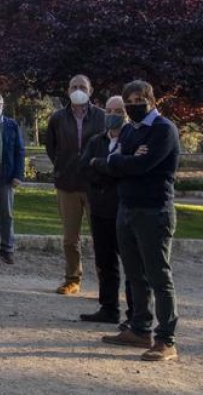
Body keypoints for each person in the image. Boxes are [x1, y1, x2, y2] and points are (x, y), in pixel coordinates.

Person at [97, 80, 181, 361]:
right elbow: (113, 163)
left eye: (138, 99)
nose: (133, 105)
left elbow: (142, 165)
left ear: (151, 100)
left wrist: (124, 161)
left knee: (159, 275)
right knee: (134, 274)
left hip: (154, 210)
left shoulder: (163, 130)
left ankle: (166, 338)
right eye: (128, 100)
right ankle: (140, 328)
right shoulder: (131, 131)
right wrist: (124, 160)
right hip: (127, 208)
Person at [45, 74, 106, 295]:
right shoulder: (58, 118)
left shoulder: (102, 117)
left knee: (102, 236)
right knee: (70, 238)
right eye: (74, 86)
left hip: (96, 185)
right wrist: (62, 167)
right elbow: (51, 147)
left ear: (90, 91)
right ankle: (72, 279)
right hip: (67, 183)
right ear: (68, 90)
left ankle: (106, 282)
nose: (78, 90)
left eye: (82, 86)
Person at [79, 95, 134, 326]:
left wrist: (101, 165)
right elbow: (84, 167)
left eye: (119, 111)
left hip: (124, 210)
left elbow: (128, 170)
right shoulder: (96, 141)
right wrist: (108, 168)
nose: (113, 115)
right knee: (104, 261)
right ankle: (109, 307)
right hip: (100, 208)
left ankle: (135, 313)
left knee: (132, 264)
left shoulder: (133, 140)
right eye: (109, 110)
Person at [0, 92, 25, 265]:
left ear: (3, 106)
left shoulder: (12, 125)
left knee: (6, 213)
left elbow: (19, 150)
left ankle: (7, 248)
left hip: (6, 175)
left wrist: (18, 175)